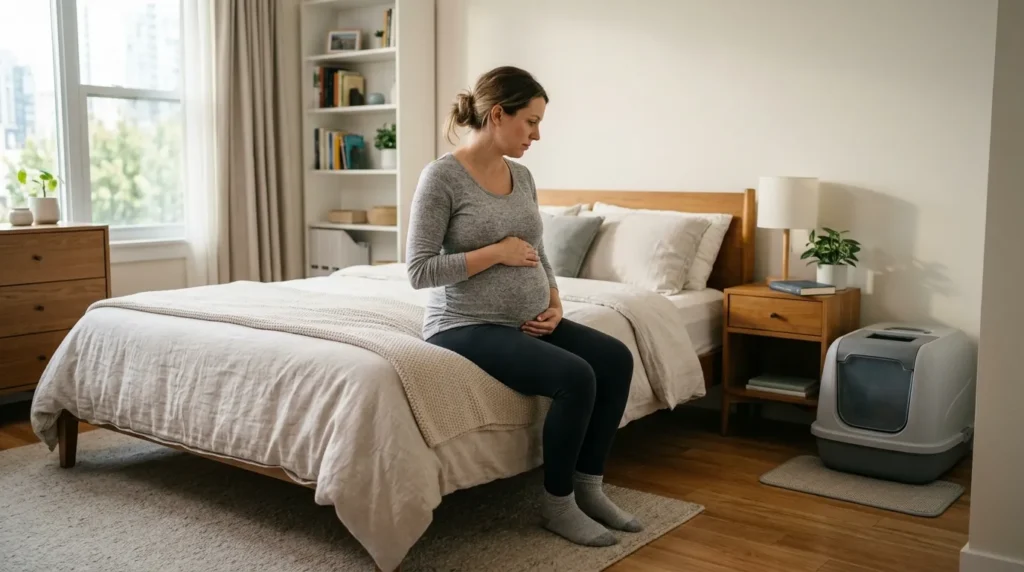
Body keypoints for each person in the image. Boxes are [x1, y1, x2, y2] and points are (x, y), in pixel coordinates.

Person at [405, 66, 641, 547]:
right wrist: (495, 253)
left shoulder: (523, 175)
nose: (537, 134)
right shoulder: (441, 178)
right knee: (576, 378)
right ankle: (557, 506)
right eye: (530, 122)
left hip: (529, 319)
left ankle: (587, 487)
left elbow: (537, 247)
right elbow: (419, 270)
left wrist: (554, 300)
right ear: (497, 114)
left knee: (615, 359)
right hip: (464, 323)